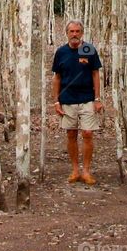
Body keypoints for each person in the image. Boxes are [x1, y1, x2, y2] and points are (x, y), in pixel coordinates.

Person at [51, 19, 103, 184]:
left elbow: (95, 74)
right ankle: (75, 170)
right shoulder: (61, 52)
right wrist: (56, 101)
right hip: (67, 99)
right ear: (66, 33)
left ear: (82, 33)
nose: (74, 34)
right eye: (71, 31)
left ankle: (86, 171)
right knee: (71, 133)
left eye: (77, 31)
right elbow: (57, 77)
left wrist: (97, 98)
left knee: (87, 133)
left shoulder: (88, 49)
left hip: (87, 97)